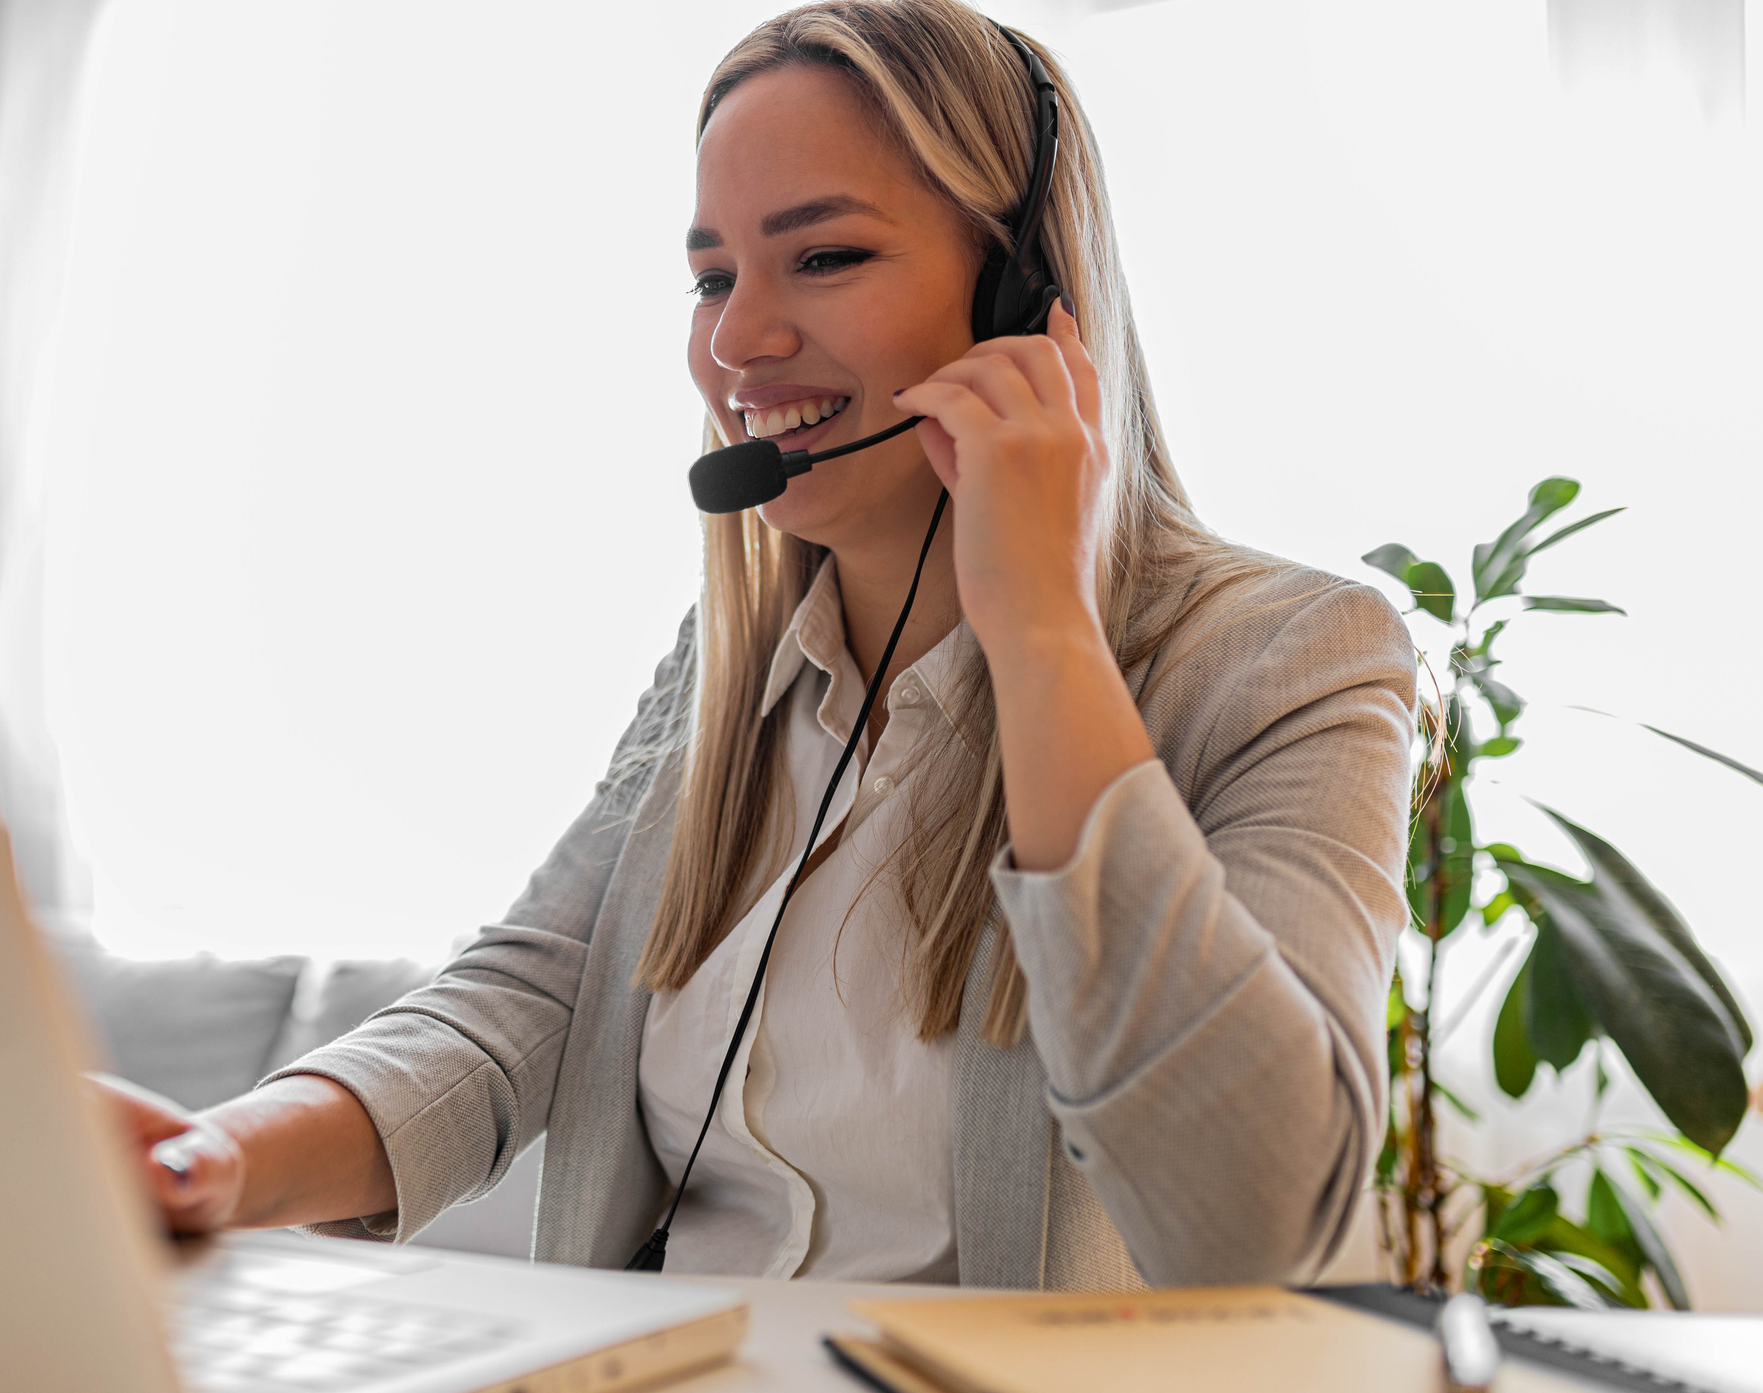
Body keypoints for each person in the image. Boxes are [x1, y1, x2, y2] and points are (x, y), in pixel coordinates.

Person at [96, 0, 1415, 1290]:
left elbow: (1261, 1222)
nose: (737, 340)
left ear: (1021, 301)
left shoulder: (1290, 661)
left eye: (824, 257)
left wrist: (1041, 628)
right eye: (713, 276)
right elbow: (530, 995)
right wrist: (212, 1161)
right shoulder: (732, 659)